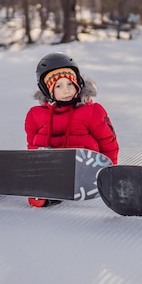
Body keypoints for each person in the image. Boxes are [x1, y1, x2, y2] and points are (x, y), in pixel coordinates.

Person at [24, 52, 119, 206]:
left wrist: (111, 172)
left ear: (78, 83)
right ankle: (43, 191)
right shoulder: (35, 115)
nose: (66, 90)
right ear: (47, 90)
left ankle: (49, 191)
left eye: (70, 83)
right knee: (36, 197)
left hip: (86, 172)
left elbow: (108, 142)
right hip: (54, 170)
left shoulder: (92, 111)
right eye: (58, 86)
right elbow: (33, 146)